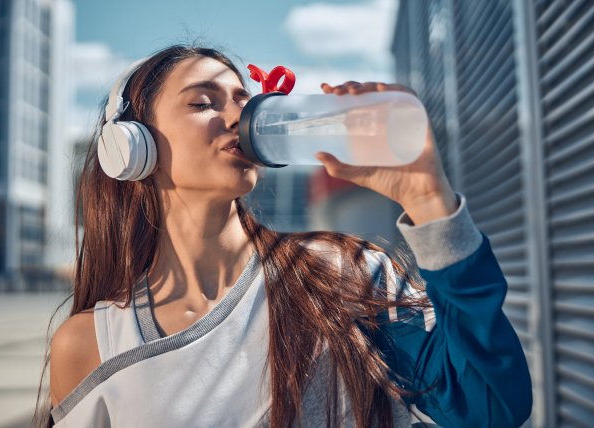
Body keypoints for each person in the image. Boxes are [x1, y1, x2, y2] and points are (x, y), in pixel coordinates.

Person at [36, 45, 532, 427]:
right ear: (131, 146)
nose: (238, 118)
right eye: (203, 102)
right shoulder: (90, 344)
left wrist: (429, 202)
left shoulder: (342, 277)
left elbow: (489, 406)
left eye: (244, 101)